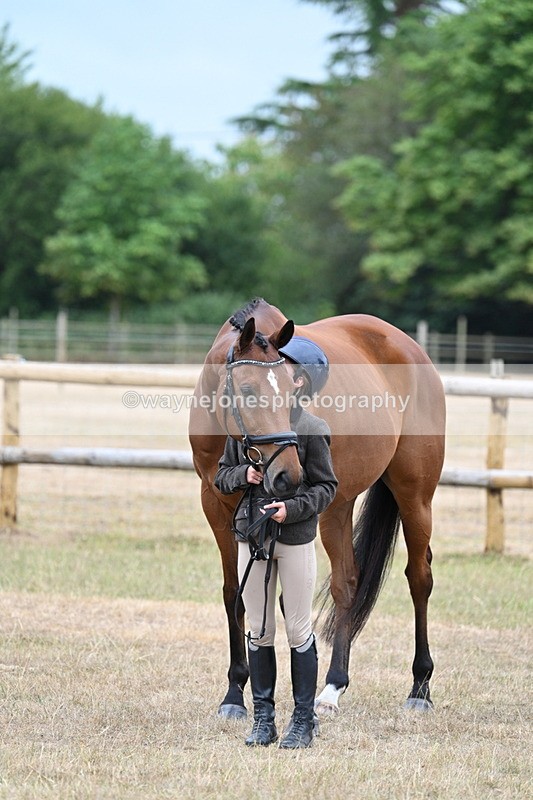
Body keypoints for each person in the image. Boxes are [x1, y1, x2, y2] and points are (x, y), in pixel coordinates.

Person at [214, 338, 337, 749]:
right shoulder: (249, 423)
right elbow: (221, 476)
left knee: (298, 628)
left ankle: (303, 721)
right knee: (259, 628)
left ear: (299, 381)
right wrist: (242, 478)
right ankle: (263, 719)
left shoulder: (313, 429)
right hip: (253, 536)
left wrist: (293, 509)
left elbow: (326, 489)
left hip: (295, 538)